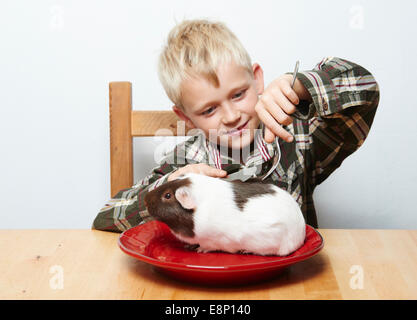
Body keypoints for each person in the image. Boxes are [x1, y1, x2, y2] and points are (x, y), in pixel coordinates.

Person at [92, 19, 379, 232]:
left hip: (287, 284)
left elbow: (365, 90)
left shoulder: (297, 140)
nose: (231, 116)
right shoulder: (184, 164)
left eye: (239, 94)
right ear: (186, 118)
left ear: (257, 79)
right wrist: (168, 189)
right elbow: (105, 218)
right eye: (209, 109)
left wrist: (300, 87)